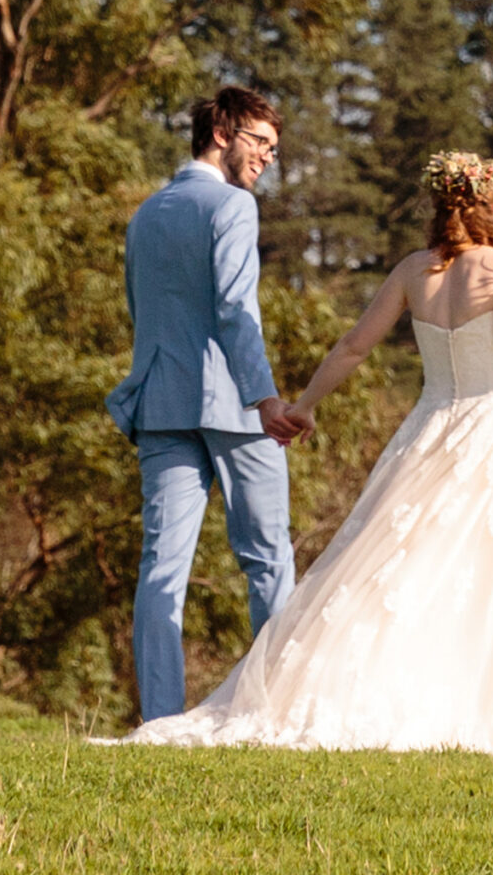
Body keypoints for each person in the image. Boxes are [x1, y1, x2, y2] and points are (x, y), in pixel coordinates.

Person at [123, 151, 493, 760]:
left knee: (410, 567)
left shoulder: (412, 271)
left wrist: (306, 403)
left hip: (429, 429)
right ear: (490, 203)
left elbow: (353, 345)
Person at [107, 87, 304, 725]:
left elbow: (142, 314)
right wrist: (265, 397)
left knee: (161, 568)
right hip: (236, 407)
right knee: (267, 556)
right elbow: (236, 310)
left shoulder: (146, 213)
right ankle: (268, 711)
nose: (268, 159)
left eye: (275, 149)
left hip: (161, 403)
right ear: (221, 132)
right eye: (260, 143)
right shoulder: (232, 206)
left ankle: (159, 720)